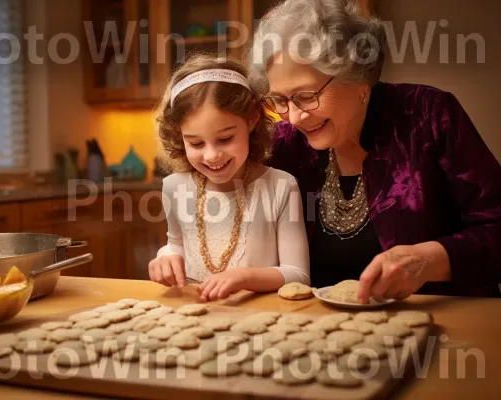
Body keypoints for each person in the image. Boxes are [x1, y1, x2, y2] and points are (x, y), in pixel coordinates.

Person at [248, 0, 501, 302]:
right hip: (324, 332)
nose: (295, 116)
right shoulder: (287, 145)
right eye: (280, 100)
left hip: (443, 326)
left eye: (306, 95)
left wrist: (431, 261)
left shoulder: (428, 116)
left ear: (358, 77)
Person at [148, 55, 311, 302]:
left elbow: (298, 275)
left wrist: (244, 277)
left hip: (260, 319)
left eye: (225, 139)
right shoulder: (174, 188)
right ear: (178, 135)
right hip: (195, 318)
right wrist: (165, 255)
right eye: (195, 143)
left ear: (252, 119)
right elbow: (177, 244)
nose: (212, 155)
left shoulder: (281, 187)